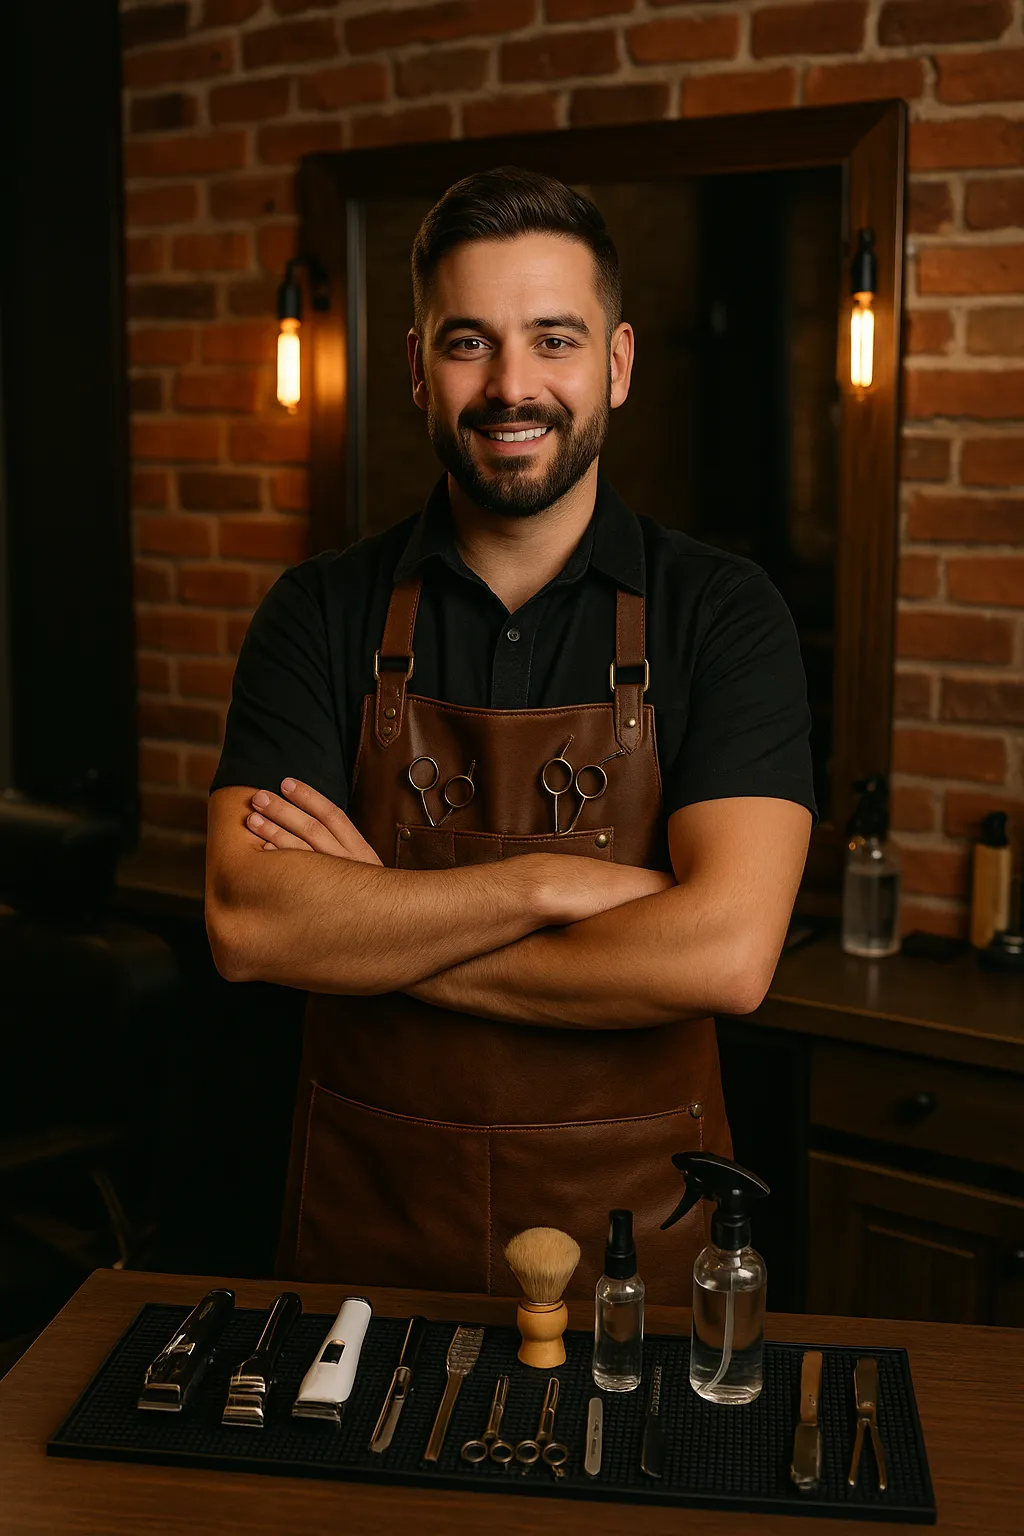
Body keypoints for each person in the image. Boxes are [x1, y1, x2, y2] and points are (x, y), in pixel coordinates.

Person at [205, 167, 816, 1303]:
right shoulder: (318, 611)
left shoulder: (723, 614)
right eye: (468, 342)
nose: (511, 385)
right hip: (365, 1229)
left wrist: (377, 927)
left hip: (641, 1243)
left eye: (553, 339)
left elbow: (725, 956)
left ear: (617, 364)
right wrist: (551, 884)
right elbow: (250, 923)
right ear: (416, 370)